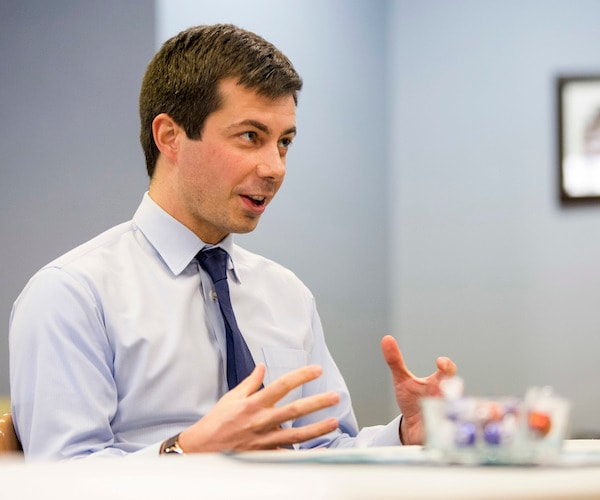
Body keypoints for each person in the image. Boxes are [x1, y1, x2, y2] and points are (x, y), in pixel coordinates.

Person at [9, 24, 456, 460]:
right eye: (250, 137)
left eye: (284, 143)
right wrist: (186, 450)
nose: (275, 167)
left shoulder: (288, 295)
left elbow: (323, 449)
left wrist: (403, 436)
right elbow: (61, 478)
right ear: (170, 137)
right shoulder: (71, 295)